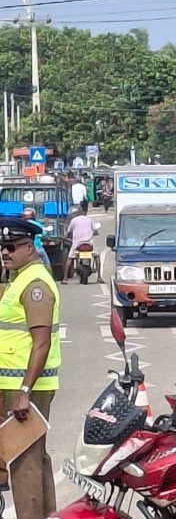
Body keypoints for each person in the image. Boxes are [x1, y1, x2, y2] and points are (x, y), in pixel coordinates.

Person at [0, 217, 61, 519]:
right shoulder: (20, 278)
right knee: (34, 459)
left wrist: (25, 391)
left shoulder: (35, 284)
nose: (5, 252)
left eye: (12, 247)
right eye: (2, 247)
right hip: (15, 385)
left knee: (25, 464)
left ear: (29, 247)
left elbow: (41, 343)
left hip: (26, 389)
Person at [61, 206, 103, 284]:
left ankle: (65, 278)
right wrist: (95, 233)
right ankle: (99, 277)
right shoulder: (89, 219)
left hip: (77, 244)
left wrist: (67, 236)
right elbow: (95, 230)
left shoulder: (73, 220)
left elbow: (69, 231)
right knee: (97, 256)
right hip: (89, 244)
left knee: (70, 258)